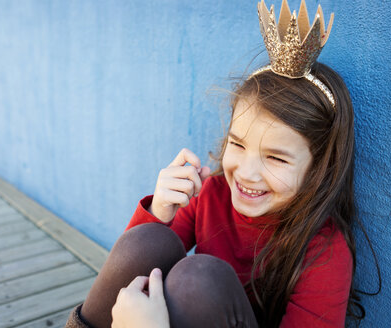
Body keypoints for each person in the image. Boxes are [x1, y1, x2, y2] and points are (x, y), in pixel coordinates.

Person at [65, 0, 365, 327]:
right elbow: (132, 265)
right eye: (238, 143)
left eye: (276, 158)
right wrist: (162, 210)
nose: (247, 173)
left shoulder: (325, 250)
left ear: (319, 167)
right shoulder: (213, 194)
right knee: (146, 240)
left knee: (199, 277)